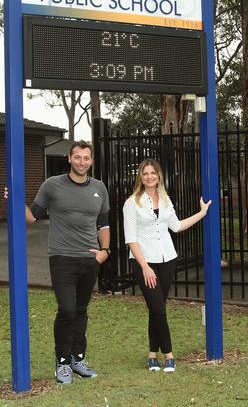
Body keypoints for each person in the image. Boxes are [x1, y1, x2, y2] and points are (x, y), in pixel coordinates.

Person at [24, 140, 110, 384]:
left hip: (90, 259)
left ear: (91, 161)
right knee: (67, 309)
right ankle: (62, 363)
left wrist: (104, 251)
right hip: (62, 258)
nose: (82, 162)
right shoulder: (53, 185)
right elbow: (32, 217)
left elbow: (104, 224)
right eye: (77, 157)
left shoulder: (99, 188)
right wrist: (13, 200)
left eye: (86, 158)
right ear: (69, 159)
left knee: (81, 310)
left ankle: (77, 359)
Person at [123, 159, 210, 373]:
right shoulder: (131, 203)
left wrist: (202, 213)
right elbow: (131, 239)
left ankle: (152, 355)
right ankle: (169, 355)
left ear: (159, 176)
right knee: (159, 309)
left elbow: (177, 226)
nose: (150, 177)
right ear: (140, 177)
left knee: (156, 309)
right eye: (145, 173)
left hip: (168, 260)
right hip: (145, 263)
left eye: (153, 173)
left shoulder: (164, 199)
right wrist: (145, 267)